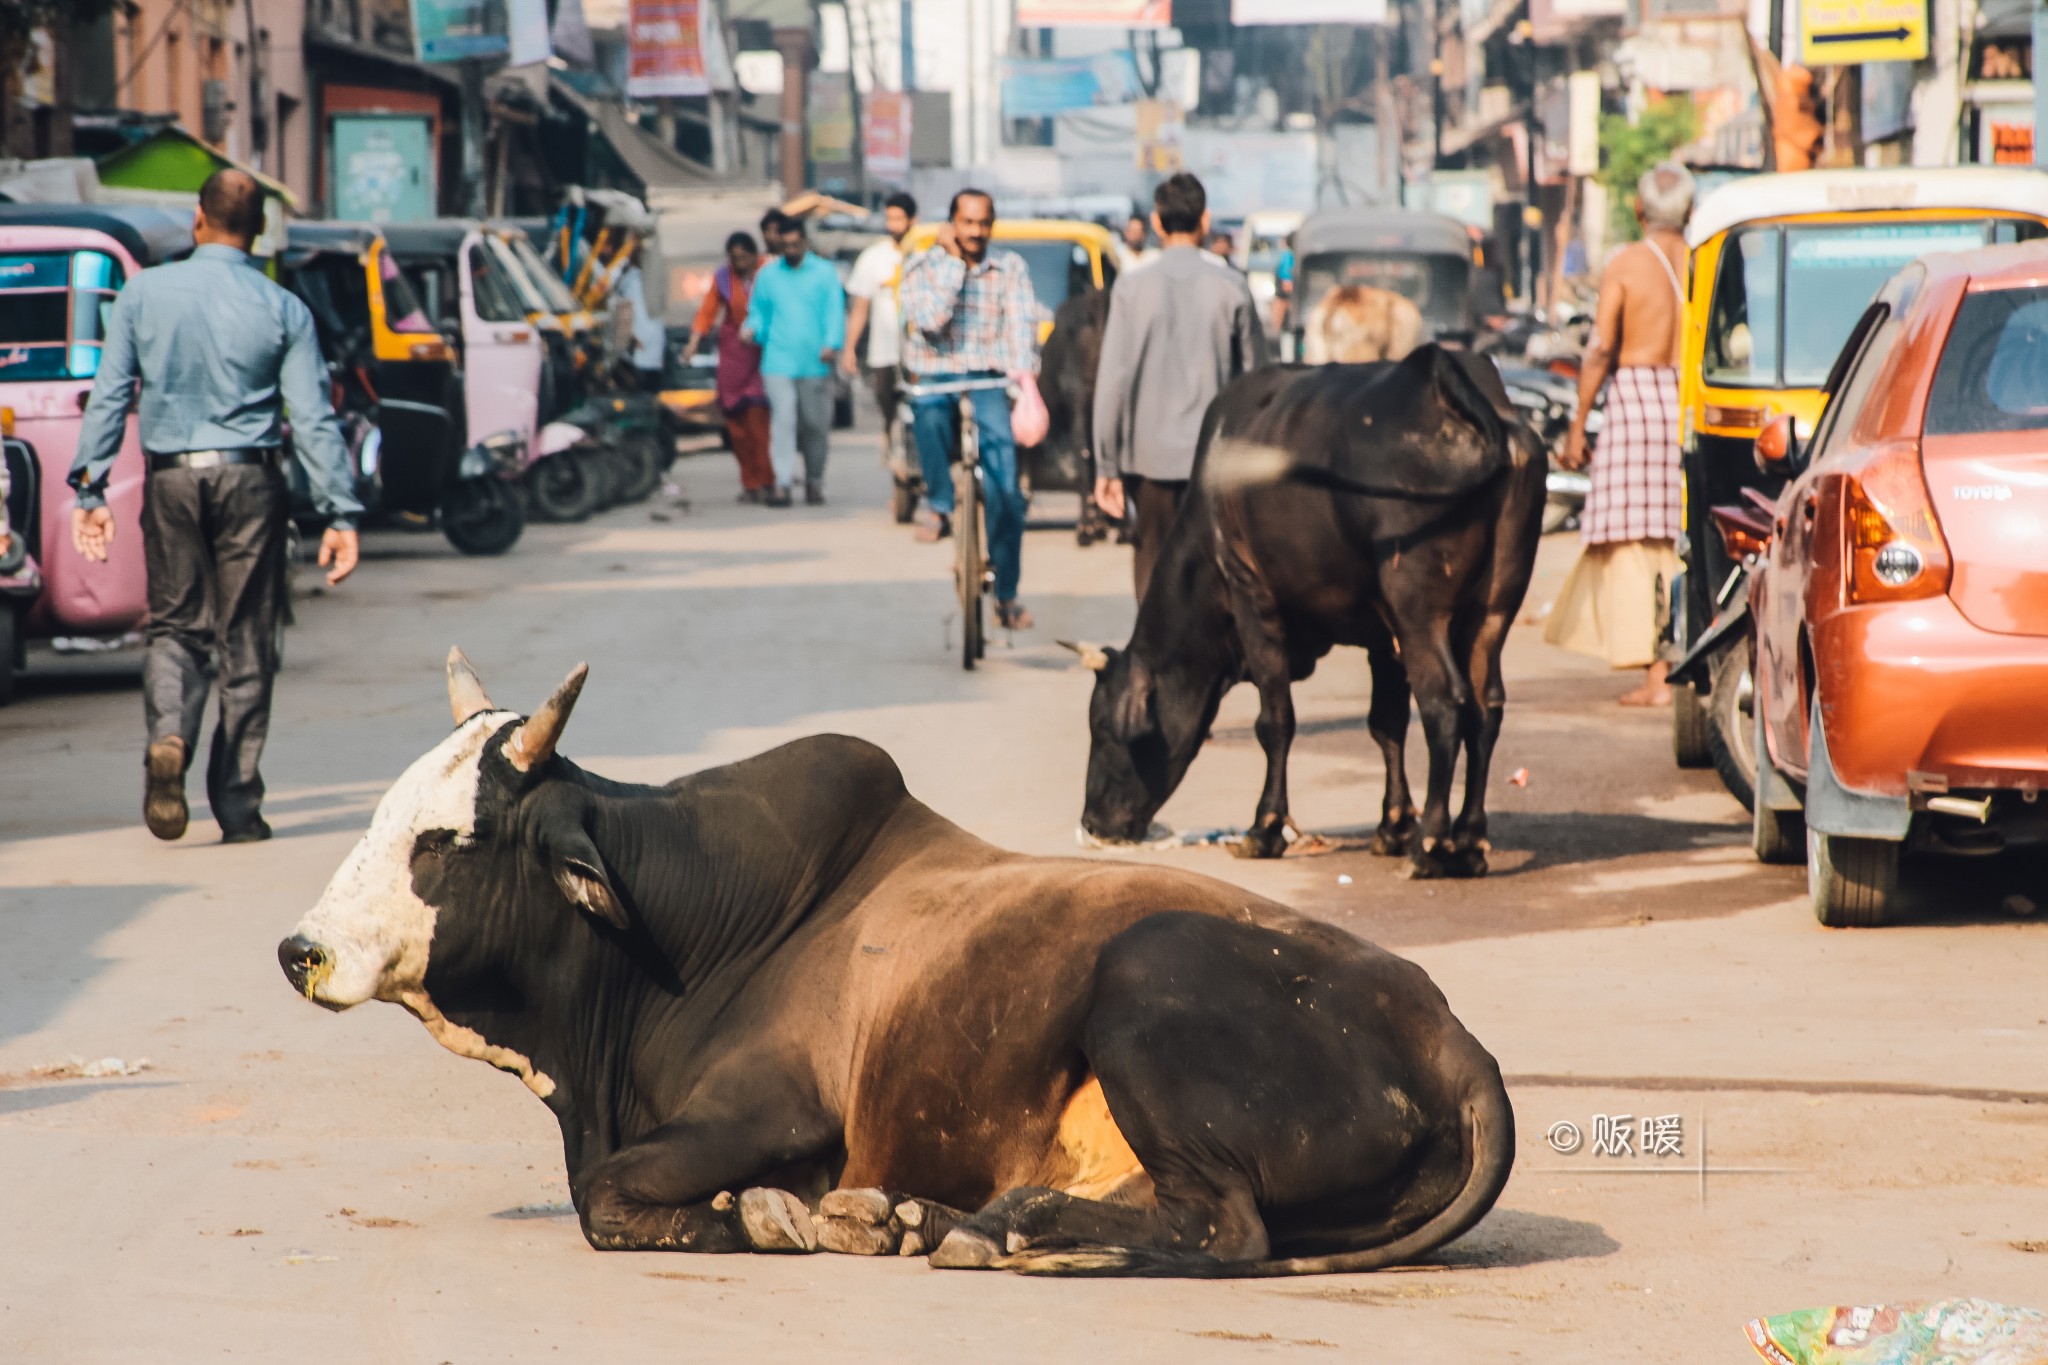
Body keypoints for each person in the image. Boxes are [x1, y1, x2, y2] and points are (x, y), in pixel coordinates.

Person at [68, 167, 363, 843]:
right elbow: (313, 419)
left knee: (176, 627)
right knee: (248, 640)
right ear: (259, 231)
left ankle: (169, 736)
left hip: (170, 478)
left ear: (198, 220)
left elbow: (110, 393)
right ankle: (236, 803)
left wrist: (90, 488)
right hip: (252, 480)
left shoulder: (143, 294)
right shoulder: (283, 307)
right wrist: (340, 514)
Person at [1546, 161, 1695, 706]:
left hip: (1636, 400)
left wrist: (1578, 422)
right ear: (1691, 212)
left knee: (1636, 540)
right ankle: (1680, 659)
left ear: (1638, 211)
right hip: (1690, 402)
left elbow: (1602, 346)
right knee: (1679, 535)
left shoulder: (1627, 263)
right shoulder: (1707, 259)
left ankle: (1656, 677)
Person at [1092, 172, 1268, 602]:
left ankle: (1154, 666)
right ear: (1204, 221)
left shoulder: (1131, 288)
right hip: (1215, 459)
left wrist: (1106, 465)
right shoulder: (1232, 286)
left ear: (1156, 223)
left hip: (1147, 459)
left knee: (1153, 566)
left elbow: (1113, 378)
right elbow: (1257, 382)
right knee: (1213, 573)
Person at [899, 188, 1041, 630]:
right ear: (952, 224)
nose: (976, 231)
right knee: (929, 416)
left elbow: (1021, 328)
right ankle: (941, 504)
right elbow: (931, 319)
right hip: (937, 375)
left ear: (992, 224)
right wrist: (953, 263)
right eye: (968, 223)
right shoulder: (922, 266)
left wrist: (1024, 378)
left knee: (1007, 494)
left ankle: (1007, 594)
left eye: (984, 223)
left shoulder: (1011, 267)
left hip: (988, 379)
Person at [742, 215, 844, 506]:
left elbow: (834, 312)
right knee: (783, 422)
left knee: (815, 424)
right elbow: (758, 314)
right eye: (785, 245)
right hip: (778, 361)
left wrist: (831, 343)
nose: (791, 250)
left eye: (795, 244)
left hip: (814, 362)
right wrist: (751, 329)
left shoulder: (824, 273)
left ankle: (814, 481)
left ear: (805, 242)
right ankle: (783, 483)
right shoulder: (768, 275)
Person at [680, 231, 774, 501]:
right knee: (736, 425)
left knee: (758, 424)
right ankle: (750, 483)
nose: (740, 263)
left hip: (762, 352)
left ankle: (767, 480)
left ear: (755, 256)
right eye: (735, 258)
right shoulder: (722, 277)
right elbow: (707, 311)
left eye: (745, 257)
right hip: (733, 353)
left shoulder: (769, 272)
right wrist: (693, 342)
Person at [842, 191, 916, 471]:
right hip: (884, 351)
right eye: (890, 218)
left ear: (912, 220)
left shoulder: (925, 252)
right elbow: (860, 307)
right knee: (888, 406)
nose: (893, 224)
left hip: (919, 351)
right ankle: (892, 447)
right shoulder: (873, 257)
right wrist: (849, 348)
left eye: (899, 218)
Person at [614, 242, 667, 392]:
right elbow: (625, 312)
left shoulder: (654, 279)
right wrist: (631, 336)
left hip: (653, 345)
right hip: (638, 346)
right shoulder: (630, 281)